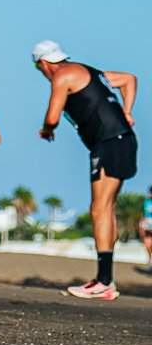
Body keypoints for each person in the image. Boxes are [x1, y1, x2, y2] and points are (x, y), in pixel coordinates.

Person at [33, 40, 138, 301]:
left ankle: (103, 280)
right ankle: (107, 280)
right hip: (122, 140)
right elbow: (129, 79)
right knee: (107, 208)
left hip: (109, 142)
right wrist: (127, 111)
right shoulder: (91, 72)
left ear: (44, 63)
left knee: (99, 208)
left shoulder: (62, 75)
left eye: (40, 69)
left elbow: (52, 117)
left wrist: (47, 130)